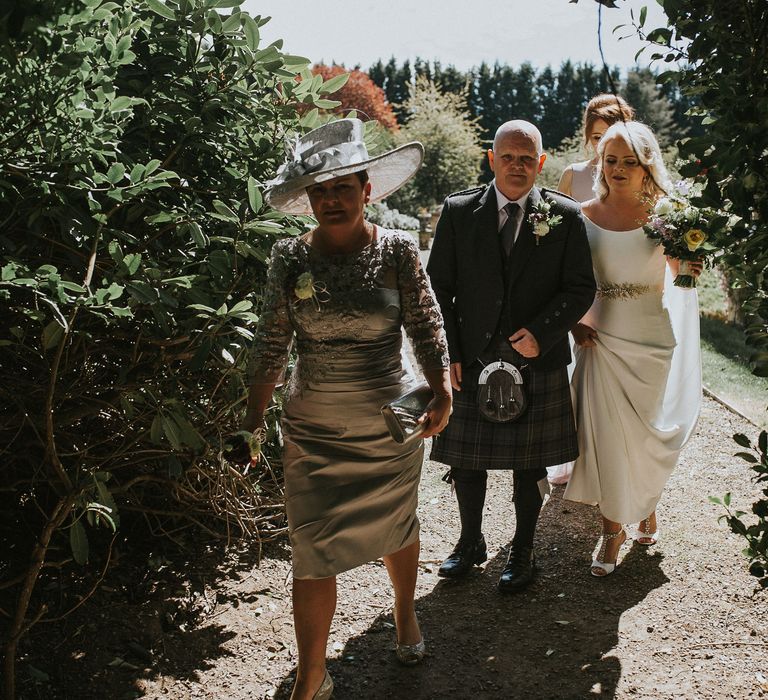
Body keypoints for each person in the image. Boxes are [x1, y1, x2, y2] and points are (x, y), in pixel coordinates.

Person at [242, 118, 452, 700]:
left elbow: (426, 324)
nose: (330, 199)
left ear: (367, 188)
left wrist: (442, 390)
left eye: (341, 187)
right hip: (312, 429)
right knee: (310, 549)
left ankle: (404, 611)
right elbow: (270, 342)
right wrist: (253, 420)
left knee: (396, 524)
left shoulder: (398, 252)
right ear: (307, 197)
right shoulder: (288, 258)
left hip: (389, 423)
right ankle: (313, 673)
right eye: (318, 189)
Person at [426, 120, 596, 593]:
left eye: (527, 158)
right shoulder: (460, 212)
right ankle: (470, 541)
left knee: (530, 464)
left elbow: (580, 286)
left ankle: (524, 548)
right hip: (473, 355)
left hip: (535, 358)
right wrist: (451, 353)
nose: (517, 166)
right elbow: (437, 287)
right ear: (491, 158)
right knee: (467, 461)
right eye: (509, 157)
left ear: (541, 163)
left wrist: (542, 333)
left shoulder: (563, 215)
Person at [563, 121, 702, 576]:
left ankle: (646, 502)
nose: (618, 169)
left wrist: (691, 263)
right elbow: (565, 283)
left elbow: (683, 276)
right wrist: (573, 325)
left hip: (649, 338)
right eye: (611, 160)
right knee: (602, 438)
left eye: (629, 162)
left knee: (643, 437)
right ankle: (611, 530)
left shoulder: (668, 216)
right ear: (600, 163)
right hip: (598, 340)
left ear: (647, 167)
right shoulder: (580, 214)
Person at [557, 94, 635, 203]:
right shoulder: (572, 176)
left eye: (611, 136)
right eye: (597, 137)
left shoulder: (641, 175)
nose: (603, 144)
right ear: (588, 136)